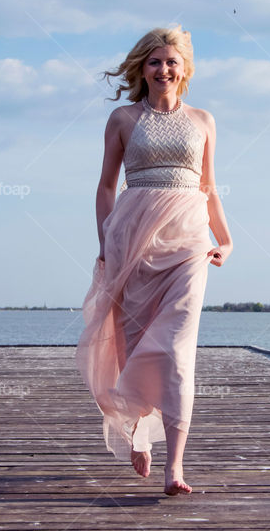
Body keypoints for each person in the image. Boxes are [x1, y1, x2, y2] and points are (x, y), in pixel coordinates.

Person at [76, 25, 233, 496]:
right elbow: (106, 187)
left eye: (171, 62)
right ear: (141, 69)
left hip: (188, 241)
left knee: (177, 347)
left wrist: (225, 241)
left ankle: (175, 467)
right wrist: (107, 243)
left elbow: (208, 188)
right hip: (133, 239)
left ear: (184, 69)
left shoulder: (204, 120)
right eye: (154, 62)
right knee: (133, 341)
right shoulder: (123, 119)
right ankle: (138, 431)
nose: (163, 69)